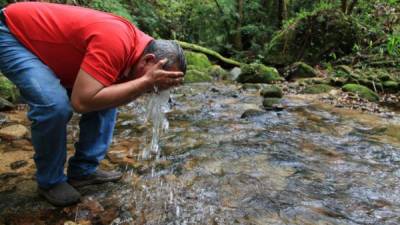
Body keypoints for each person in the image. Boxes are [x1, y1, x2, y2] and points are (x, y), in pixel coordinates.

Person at [0, 2, 186, 206]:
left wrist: (145, 82)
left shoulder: (142, 53)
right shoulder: (116, 42)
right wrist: (145, 82)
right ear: (149, 60)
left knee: (108, 93)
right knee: (54, 106)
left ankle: (83, 171)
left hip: (50, 48)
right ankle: (50, 181)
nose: (155, 89)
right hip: (13, 33)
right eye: (158, 81)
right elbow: (81, 102)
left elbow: (111, 95)